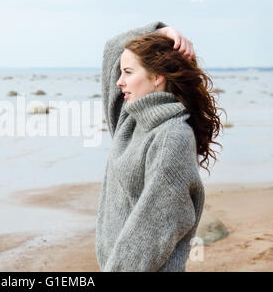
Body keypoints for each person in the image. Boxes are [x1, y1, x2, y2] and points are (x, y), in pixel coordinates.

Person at [95, 21, 224, 271]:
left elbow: (150, 234)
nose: (119, 81)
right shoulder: (129, 120)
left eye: (128, 73)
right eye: (121, 72)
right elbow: (112, 48)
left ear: (156, 77)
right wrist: (159, 31)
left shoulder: (171, 138)